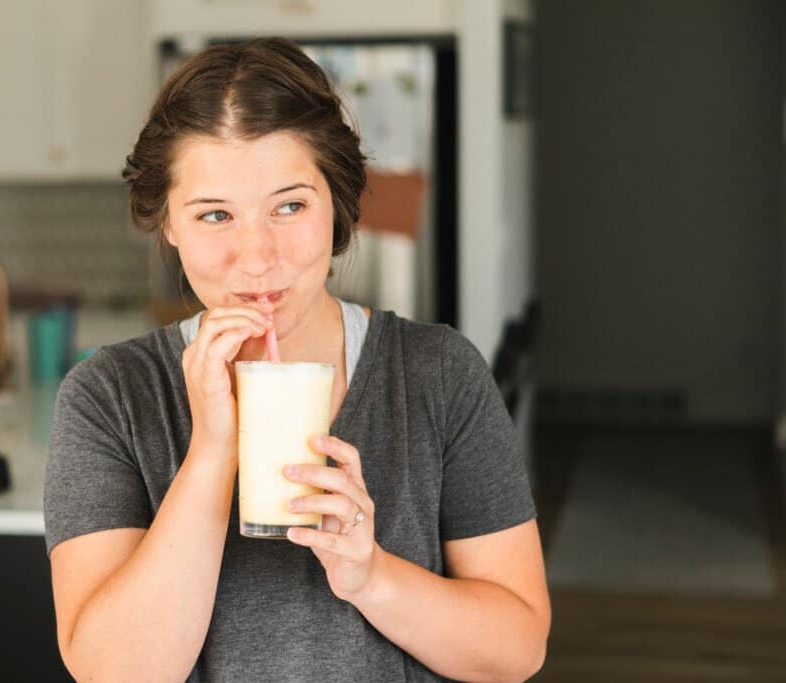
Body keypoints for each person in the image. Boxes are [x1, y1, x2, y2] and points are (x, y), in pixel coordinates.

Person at [44, 36, 550, 682]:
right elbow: (116, 672)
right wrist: (211, 452)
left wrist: (372, 576)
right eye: (214, 214)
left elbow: (517, 647)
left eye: (289, 205)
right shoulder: (109, 396)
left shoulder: (439, 374)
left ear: (335, 202)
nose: (257, 256)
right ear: (168, 222)